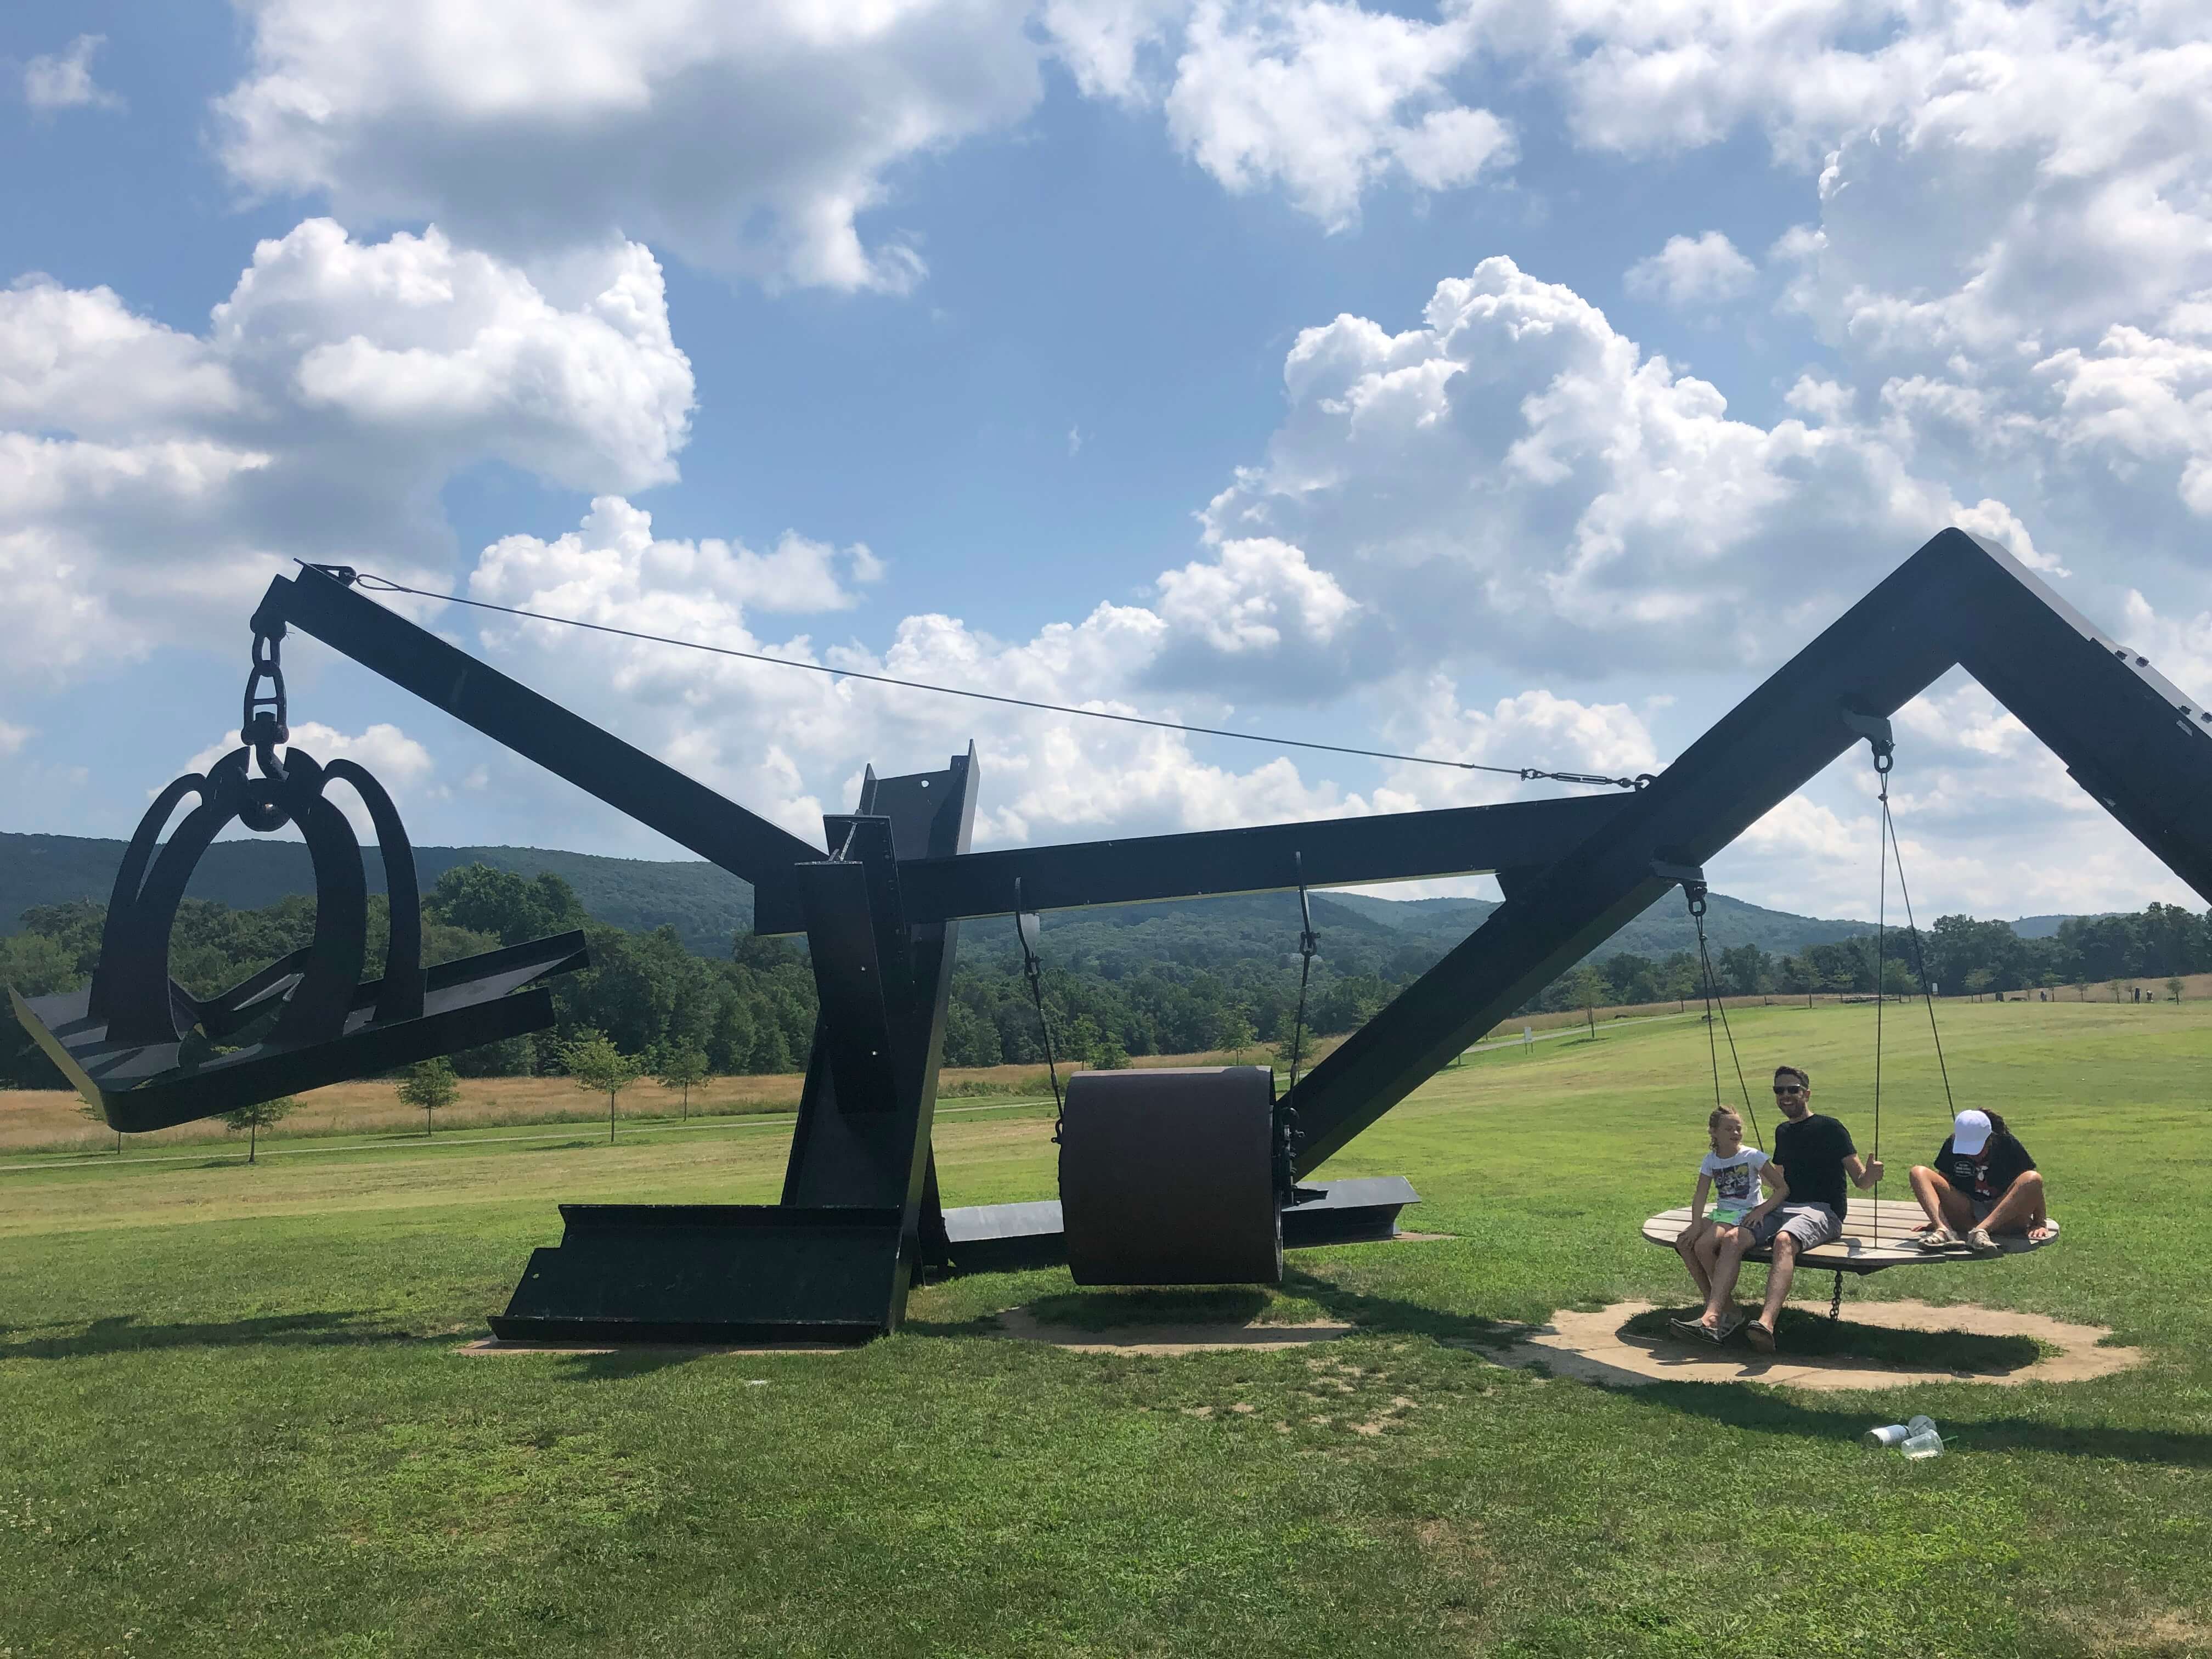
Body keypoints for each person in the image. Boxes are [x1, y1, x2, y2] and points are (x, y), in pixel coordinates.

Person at [1700, 1065, 1882, 1352]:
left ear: (1806, 1094)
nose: (1785, 1096)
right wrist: (1755, 1199)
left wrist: (1870, 1176)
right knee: (1734, 1238)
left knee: (1785, 1241)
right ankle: (1712, 1316)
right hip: (1784, 1207)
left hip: (1824, 1211)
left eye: (1792, 1090)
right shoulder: (1783, 1131)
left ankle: (1766, 1324)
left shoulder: (1831, 1128)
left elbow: (1860, 1180)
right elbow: (1779, 1182)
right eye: (1779, 1090)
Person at [1669, 1107, 1783, 1340]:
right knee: (1684, 1242)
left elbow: (1782, 1188)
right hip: (1722, 1213)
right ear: (1714, 1133)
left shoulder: (1752, 1156)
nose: (1735, 1132)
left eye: (1738, 1128)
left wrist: (1761, 1210)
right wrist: (1694, 1225)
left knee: (1702, 1246)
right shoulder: (1711, 1159)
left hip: (1744, 1213)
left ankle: (1718, 1311)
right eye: (1728, 1128)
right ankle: (1721, 1304)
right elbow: (1700, 1195)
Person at [1910, 1109, 2055, 1254]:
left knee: (2032, 1177)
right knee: (1918, 1172)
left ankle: (1981, 1232)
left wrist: (2039, 1222)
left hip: (2004, 1218)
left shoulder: (2008, 1144)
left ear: (1990, 1139)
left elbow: (2034, 1188)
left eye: (1978, 1149)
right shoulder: (1951, 1145)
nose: (1972, 1155)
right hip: (1966, 1216)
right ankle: (1944, 1232)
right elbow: (1943, 1182)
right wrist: (1940, 1218)